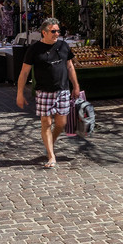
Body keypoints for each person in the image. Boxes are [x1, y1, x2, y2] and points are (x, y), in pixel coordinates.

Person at [16, 17, 80, 168]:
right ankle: (51, 156)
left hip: (63, 90)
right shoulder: (34, 49)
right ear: (44, 33)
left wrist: (76, 86)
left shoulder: (64, 46)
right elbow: (24, 72)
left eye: (58, 31)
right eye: (53, 31)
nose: (57, 33)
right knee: (46, 123)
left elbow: (70, 67)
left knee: (61, 123)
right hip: (44, 91)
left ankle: (50, 142)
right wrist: (20, 93)